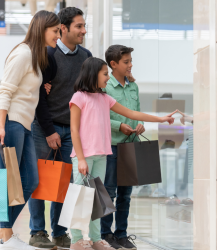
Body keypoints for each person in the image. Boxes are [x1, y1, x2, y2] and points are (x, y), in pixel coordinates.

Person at [29, 8, 136, 250]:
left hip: (74, 131)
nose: (84, 31)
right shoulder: (47, 54)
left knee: (66, 185)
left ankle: (59, 232)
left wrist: (126, 77)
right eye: (78, 26)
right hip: (47, 127)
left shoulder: (86, 55)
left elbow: (93, 90)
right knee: (41, 181)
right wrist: (48, 130)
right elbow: (38, 96)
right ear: (63, 28)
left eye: (84, 25)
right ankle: (37, 231)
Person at [69, 57, 176, 250]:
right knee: (80, 196)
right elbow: (74, 131)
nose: (107, 77)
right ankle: (76, 239)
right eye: (104, 74)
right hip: (83, 156)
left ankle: (94, 239)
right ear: (93, 74)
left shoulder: (105, 98)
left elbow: (132, 114)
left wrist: (160, 118)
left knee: (97, 199)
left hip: (102, 155)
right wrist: (81, 159)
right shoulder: (79, 97)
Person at [0, 10, 61, 250]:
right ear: (42, 29)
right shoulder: (22, 53)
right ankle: (5, 236)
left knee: (30, 180)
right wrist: (0, 126)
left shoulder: (35, 58)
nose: (58, 36)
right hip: (10, 123)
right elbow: (5, 91)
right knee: (8, 182)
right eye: (55, 31)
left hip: (24, 125)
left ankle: (2, 234)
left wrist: (42, 87)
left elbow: (27, 90)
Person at [100, 45, 142, 249]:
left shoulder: (134, 87)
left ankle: (122, 234)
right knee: (108, 193)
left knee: (126, 194)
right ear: (113, 64)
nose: (130, 65)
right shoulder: (104, 87)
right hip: (112, 147)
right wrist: (119, 126)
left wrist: (139, 125)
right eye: (126, 62)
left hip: (131, 148)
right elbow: (99, 117)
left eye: (130, 61)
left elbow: (138, 112)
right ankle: (105, 234)